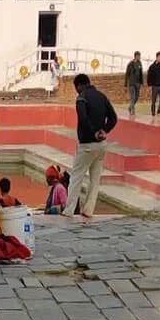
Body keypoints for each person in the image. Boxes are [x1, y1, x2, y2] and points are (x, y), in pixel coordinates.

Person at [65, 73, 118, 218]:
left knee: (76, 177)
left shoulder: (82, 98)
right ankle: (88, 211)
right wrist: (104, 130)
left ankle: (68, 211)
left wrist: (93, 131)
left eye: (76, 88)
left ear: (80, 85)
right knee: (95, 180)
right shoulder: (102, 96)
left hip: (87, 145)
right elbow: (113, 117)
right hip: (101, 145)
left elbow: (83, 118)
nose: (76, 91)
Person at [147, 52, 160, 118]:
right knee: (153, 101)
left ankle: (158, 111)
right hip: (154, 86)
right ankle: (153, 113)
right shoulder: (152, 66)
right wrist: (149, 85)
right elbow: (149, 76)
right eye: (159, 57)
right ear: (156, 57)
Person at [125, 51, 144, 116]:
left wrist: (142, 82)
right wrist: (125, 84)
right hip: (131, 83)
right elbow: (127, 75)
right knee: (132, 97)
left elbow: (141, 73)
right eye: (138, 56)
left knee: (137, 97)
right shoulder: (130, 64)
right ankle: (133, 111)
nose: (139, 57)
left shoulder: (140, 63)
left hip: (138, 83)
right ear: (135, 56)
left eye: (140, 56)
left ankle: (130, 107)